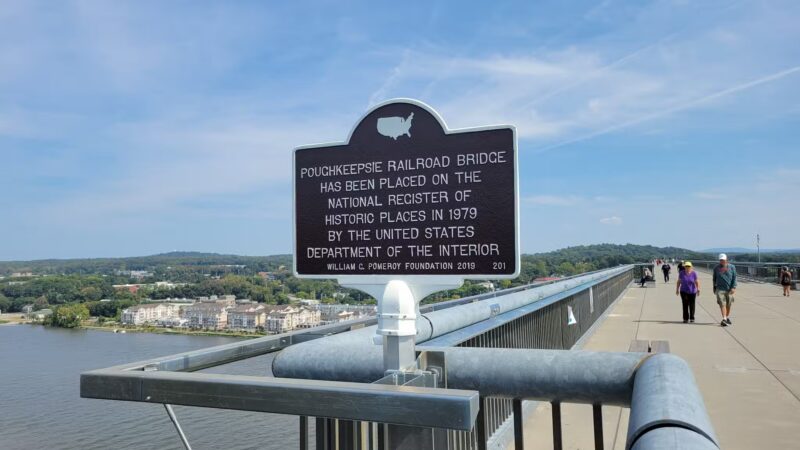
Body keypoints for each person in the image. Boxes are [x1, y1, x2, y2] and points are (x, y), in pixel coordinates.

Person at [713, 253, 737, 327]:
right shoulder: (716, 268)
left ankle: (726, 318)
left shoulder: (732, 267)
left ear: (726, 260)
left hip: (729, 289)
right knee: (722, 304)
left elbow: (734, 278)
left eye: (723, 260)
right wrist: (714, 288)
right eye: (720, 260)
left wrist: (734, 287)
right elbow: (714, 278)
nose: (722, 261)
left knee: (728, 305)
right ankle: (724, 318)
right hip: (720, 289)